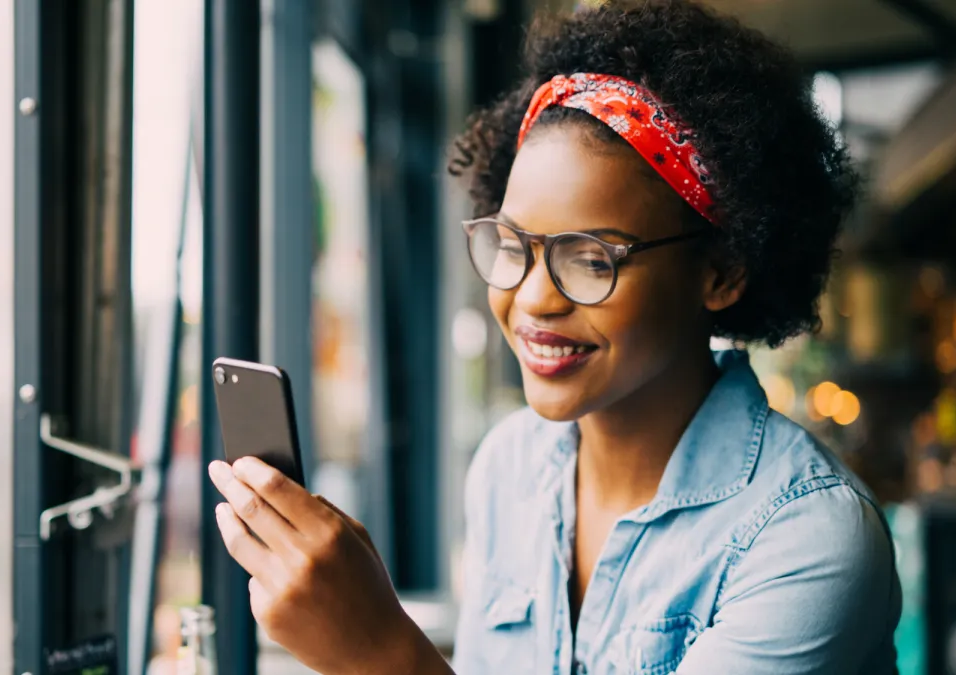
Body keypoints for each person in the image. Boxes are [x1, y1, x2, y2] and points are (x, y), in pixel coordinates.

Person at [206, 1, 901, 673]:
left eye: (591, 258)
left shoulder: (808, 538)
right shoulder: (507, 468)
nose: (534, 298)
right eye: (512, 245)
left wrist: (379, 653)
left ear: (720, 272)